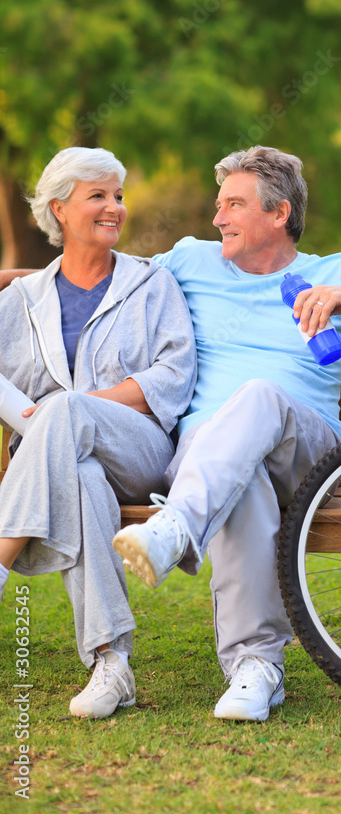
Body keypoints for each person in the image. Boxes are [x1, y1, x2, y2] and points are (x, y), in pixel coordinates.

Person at [113, 145, 341, 722]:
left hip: (309, 455)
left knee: (257, 396)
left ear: (279, 213)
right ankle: (257, 671)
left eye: (234, 204)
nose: (218, 218)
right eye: (218, 204)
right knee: (243, 478)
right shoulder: (190, 260)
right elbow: (102, 281)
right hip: (211, 459)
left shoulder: (335, 274)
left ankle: (177, 526)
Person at [0, 147, 196, 719]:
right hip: (56, 457)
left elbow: (172, 376)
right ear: (59, 209)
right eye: (99, 196)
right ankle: (111, 663)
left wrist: (72, 410)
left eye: (118, 196)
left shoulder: (151, 284)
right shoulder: (22, 299)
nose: (115, 207)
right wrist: (31, 418)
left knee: (66, 410)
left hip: (138, 447)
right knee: (80, 478)